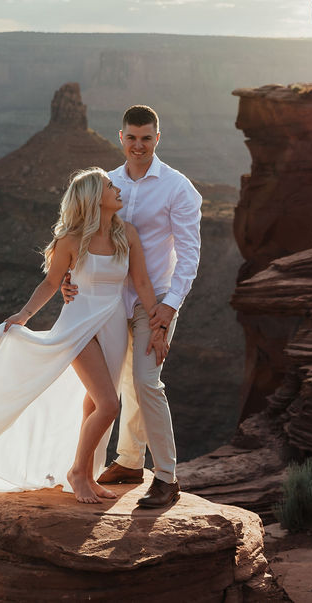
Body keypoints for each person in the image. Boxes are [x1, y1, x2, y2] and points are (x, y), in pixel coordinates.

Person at [0, 167, 159, 504]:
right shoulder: (71, 240)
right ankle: (78, 473)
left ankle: (88, 473)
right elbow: (52, 282)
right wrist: (24, 315)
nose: (117, 189)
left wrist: (159, 326)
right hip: (78, 328)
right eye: (110, 186)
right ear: (95, 198)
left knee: (95, 403)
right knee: (109, 405)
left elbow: (142, 283)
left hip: (113, 328)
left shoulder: (127, 234)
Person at [66, 105, 202, 509]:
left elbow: (190, 255)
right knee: (107, 388)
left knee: (144, 382)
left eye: (146, 138)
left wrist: (169, 309)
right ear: (120, 138)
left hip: (152, 300)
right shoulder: (106, 183)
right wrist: (70, 280)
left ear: (157, 138)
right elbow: (81, 235)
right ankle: (123, 463)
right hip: (105, 303)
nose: (138, 145)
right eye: (131, 138)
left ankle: (166, 477)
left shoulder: (178, 188)